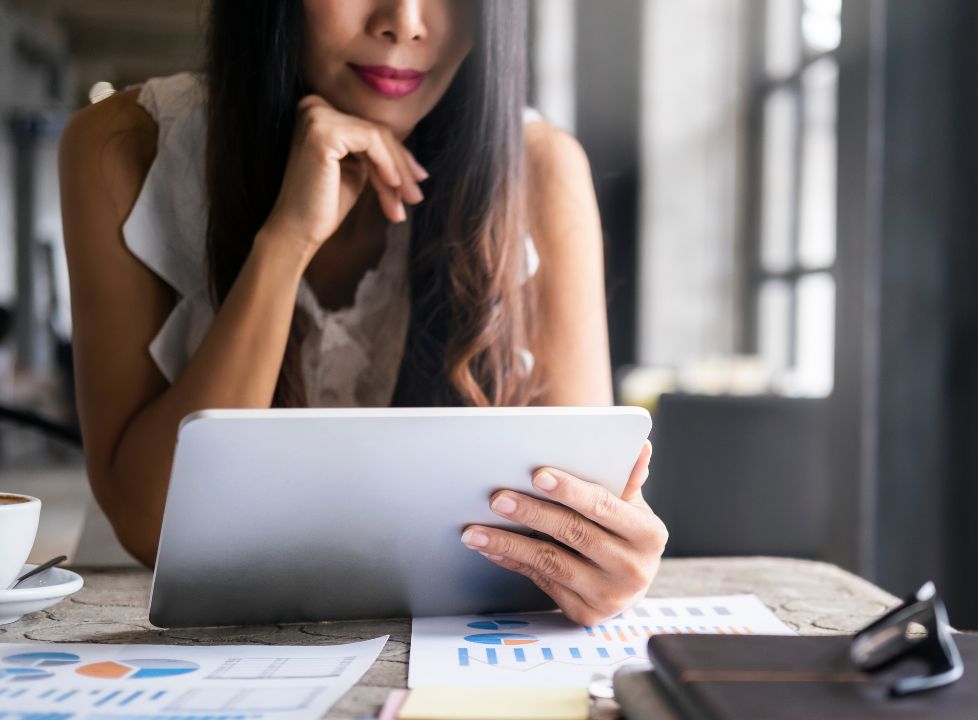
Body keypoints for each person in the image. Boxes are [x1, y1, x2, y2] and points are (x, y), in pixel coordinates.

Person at [58, 0, 666, 626]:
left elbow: (577, 519)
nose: (404, 20)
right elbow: (151, 528)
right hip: (150, 633)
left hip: (432, 643)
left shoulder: (541, 168)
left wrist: (604, 561)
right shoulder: (125, 146)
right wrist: (285, 243)